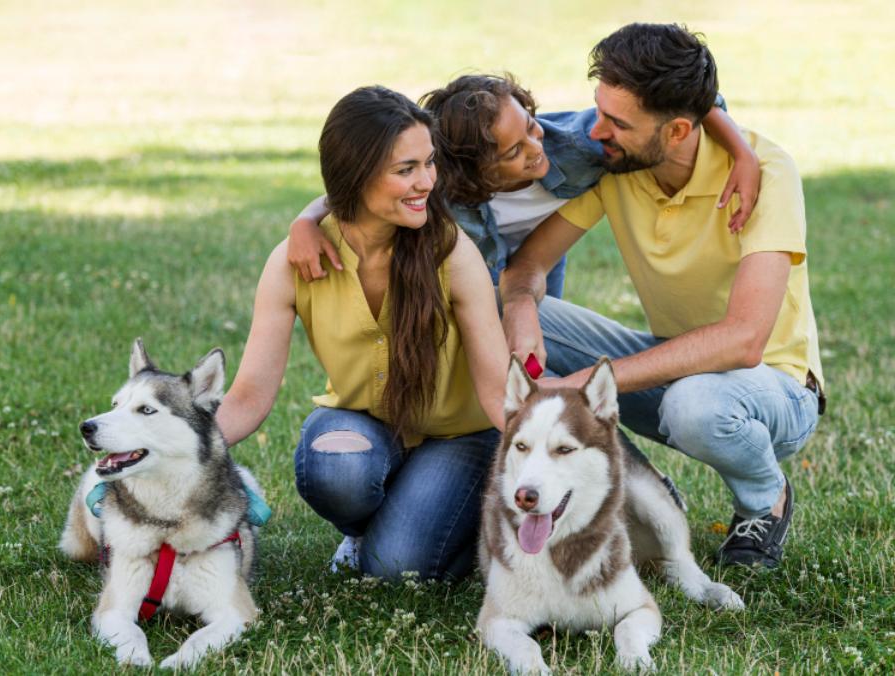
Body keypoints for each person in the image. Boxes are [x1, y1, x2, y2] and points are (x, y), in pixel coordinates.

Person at [500, 23, 823, 569]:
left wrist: (581, 386)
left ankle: (764, 500)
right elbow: (528, 266)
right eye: (598, 110)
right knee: (489, 307)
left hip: (773, 390)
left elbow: (745, 342)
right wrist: (521, 307)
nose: (597, 132)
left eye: (618, 122)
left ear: (676, 131)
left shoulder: (767, 171)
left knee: (695, 405)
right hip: (673, 363)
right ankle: (648, 495)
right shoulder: (619, 163)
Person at [214, 85, 512, 580]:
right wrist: (172, 448)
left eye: (429, 163)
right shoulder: (296, 259)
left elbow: (499, 391)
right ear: (357, 177)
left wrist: (555, 455)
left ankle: (463, 520)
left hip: (459, 436)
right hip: (365, 424)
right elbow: (247, 396)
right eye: (406, 170)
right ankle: (380, 523)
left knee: (397, 568)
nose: (427, 183)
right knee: (337, 471)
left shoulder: (451, 253)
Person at [286, 74, 761, 299]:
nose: (535, 149)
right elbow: (362, 185)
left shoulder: (576, 144)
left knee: (541, 338)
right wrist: (306, 222)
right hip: (484, 265)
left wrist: (741, 152)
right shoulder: (440, 188)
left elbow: (687, 95)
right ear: (472, 171)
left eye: (531, 125)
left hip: (542, 255)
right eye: (512, 153)